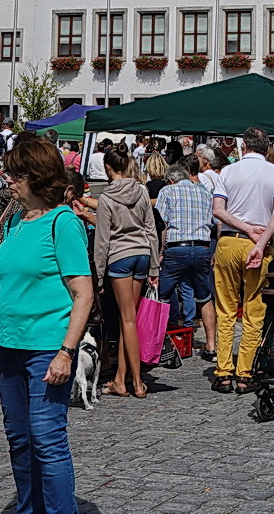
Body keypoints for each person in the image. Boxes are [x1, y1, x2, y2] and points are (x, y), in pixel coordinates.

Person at [0, 135, 93, 514]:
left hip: (48, 348)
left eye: (17, 174)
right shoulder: (13, 222)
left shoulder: (62, 223)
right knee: (20, 440)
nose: (8, 180)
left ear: (38, 177)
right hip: (12, 348)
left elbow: (83, 293)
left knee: (47, 439)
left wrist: (66, 352)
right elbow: (5, 295)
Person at [210, 127, 274, 393]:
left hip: (229, 242)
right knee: (254, 310)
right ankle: (245, 373)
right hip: (259, 244)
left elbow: (218, 210)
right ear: (267, 148)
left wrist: (243, 227)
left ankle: (223, 372)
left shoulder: (228, 172)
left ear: (244, 146)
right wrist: (260, 239)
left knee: (226, 309)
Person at [93, 143, 158, 398]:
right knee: (127, 320)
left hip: (119, 257)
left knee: (127, 320)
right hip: (142, 254)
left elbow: (102, 241)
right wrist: (154, 265)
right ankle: (120, 379)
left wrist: (97, 275)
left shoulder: (107, 198)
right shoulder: (142, 191)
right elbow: (151, 229)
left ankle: (137, 381)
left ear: (108, 169)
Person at [155, 158, 218, 361]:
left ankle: (160, 343)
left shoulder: (168, 191)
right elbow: (214, 221)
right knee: (205, 297)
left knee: (162, 297)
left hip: (176, 248)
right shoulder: (204, 192)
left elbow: (162, 223)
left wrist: (160, 250)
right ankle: (211, 345)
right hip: (201, 247)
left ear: (171, 180)